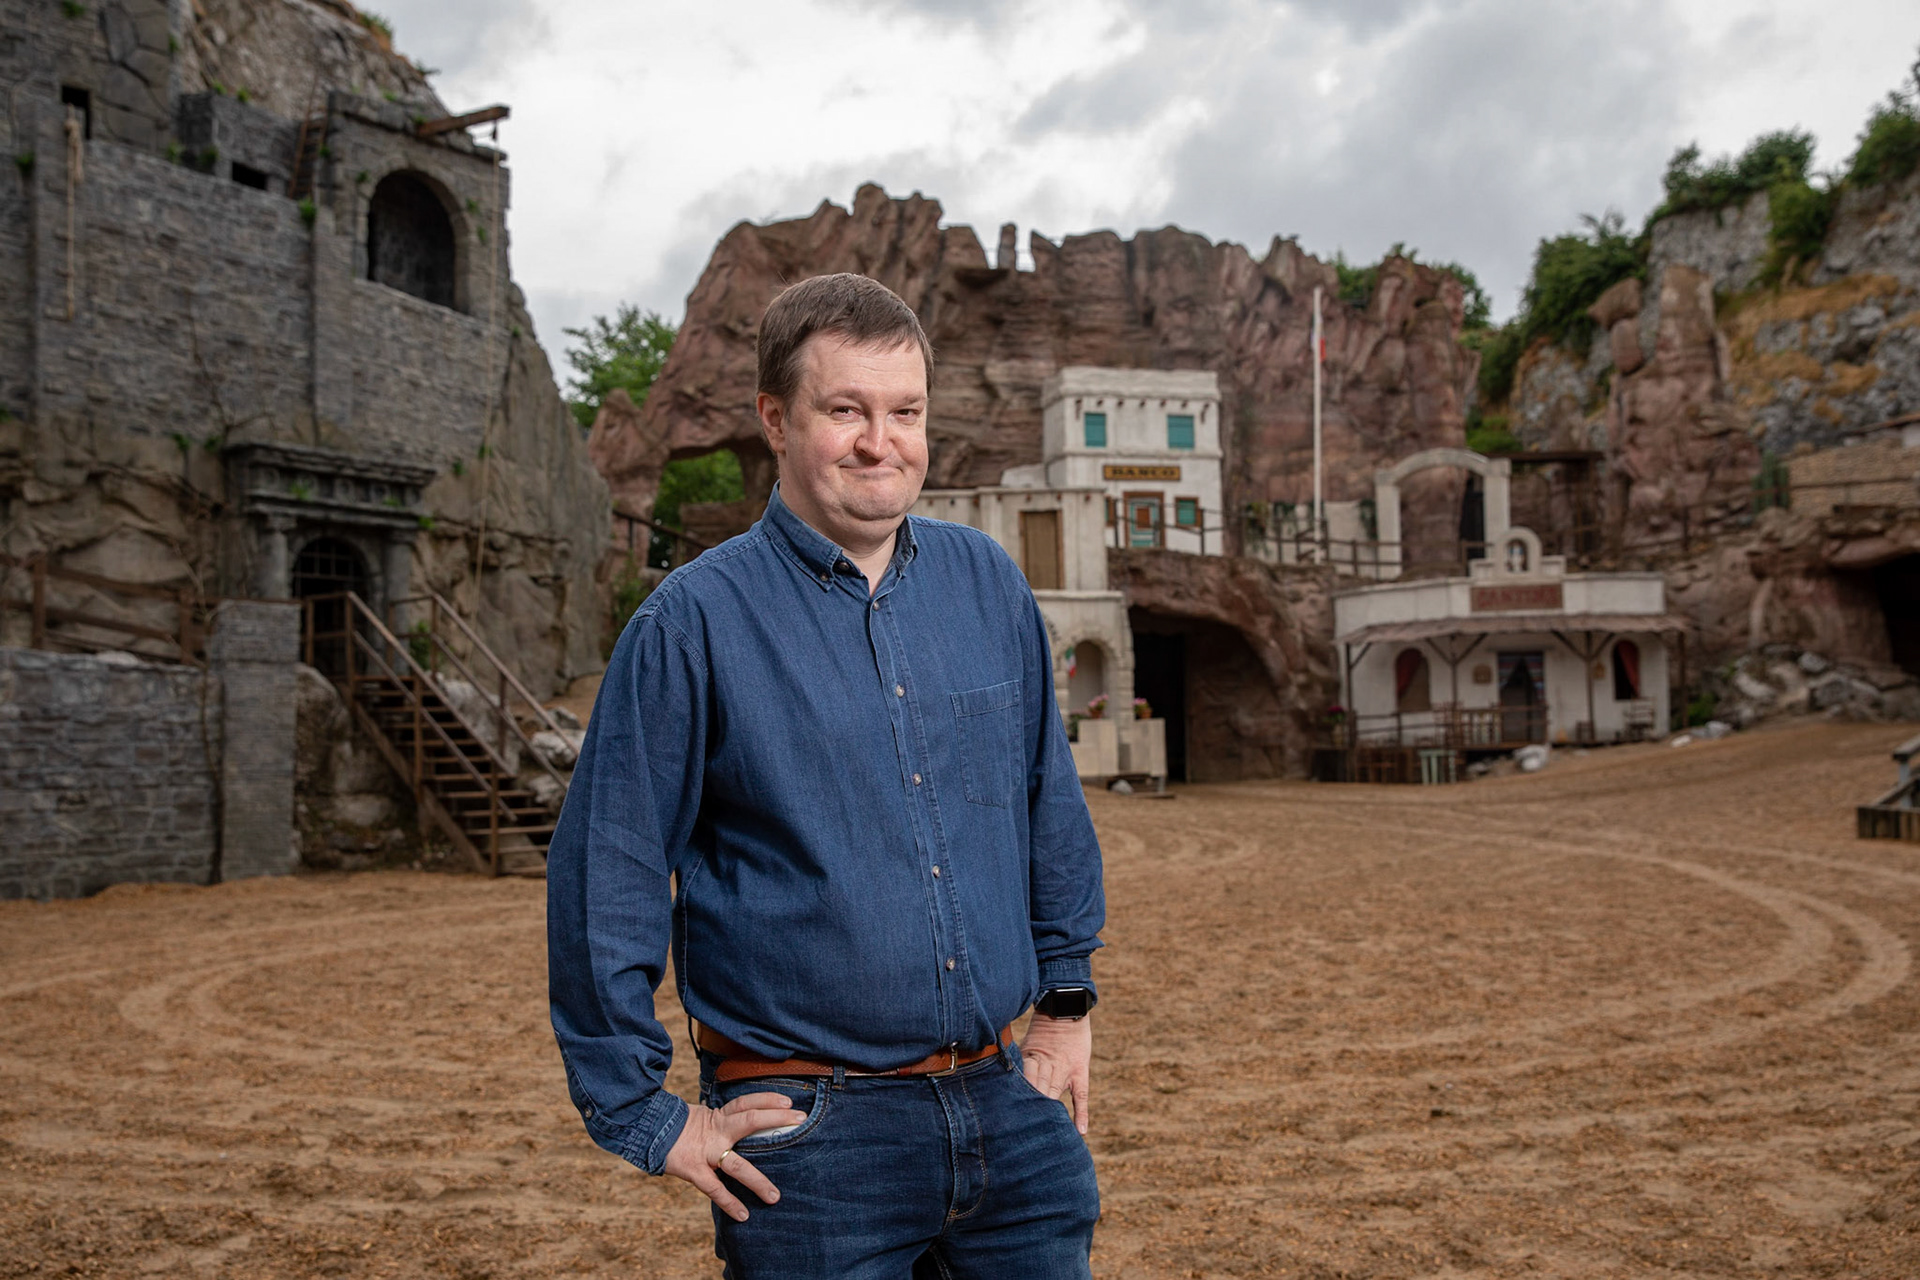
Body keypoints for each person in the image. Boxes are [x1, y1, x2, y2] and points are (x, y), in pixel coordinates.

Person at [547, 272, 1107, 1278]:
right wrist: (641, 1109)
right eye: (845, 410)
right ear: (776, 418)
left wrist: (1065, 1003)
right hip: (814, 1141)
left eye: (906, 413)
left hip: (1008, 1114)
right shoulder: (690, 623)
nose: (879, 442)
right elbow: (607, 868)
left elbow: (1046, 800)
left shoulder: (988, 583)